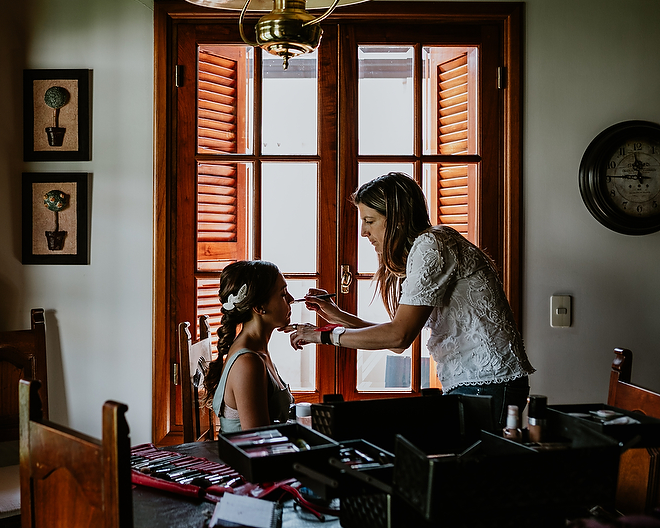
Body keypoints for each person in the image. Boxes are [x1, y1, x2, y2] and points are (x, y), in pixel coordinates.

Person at [288, 172, 535, 427]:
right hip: (478, 382)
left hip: (488, 383)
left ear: (398, 218)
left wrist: (323, 336)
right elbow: (396, 342)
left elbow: (398, 336)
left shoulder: (432, 245)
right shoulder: (429, 245)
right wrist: (336, 315)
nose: (363, 232)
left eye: (370, 220)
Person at [203, 260, 295, 434]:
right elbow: (259, 444)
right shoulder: (248, 363)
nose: (291, 299)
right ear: (259, 307)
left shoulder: (259, 350)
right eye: (283, 294)